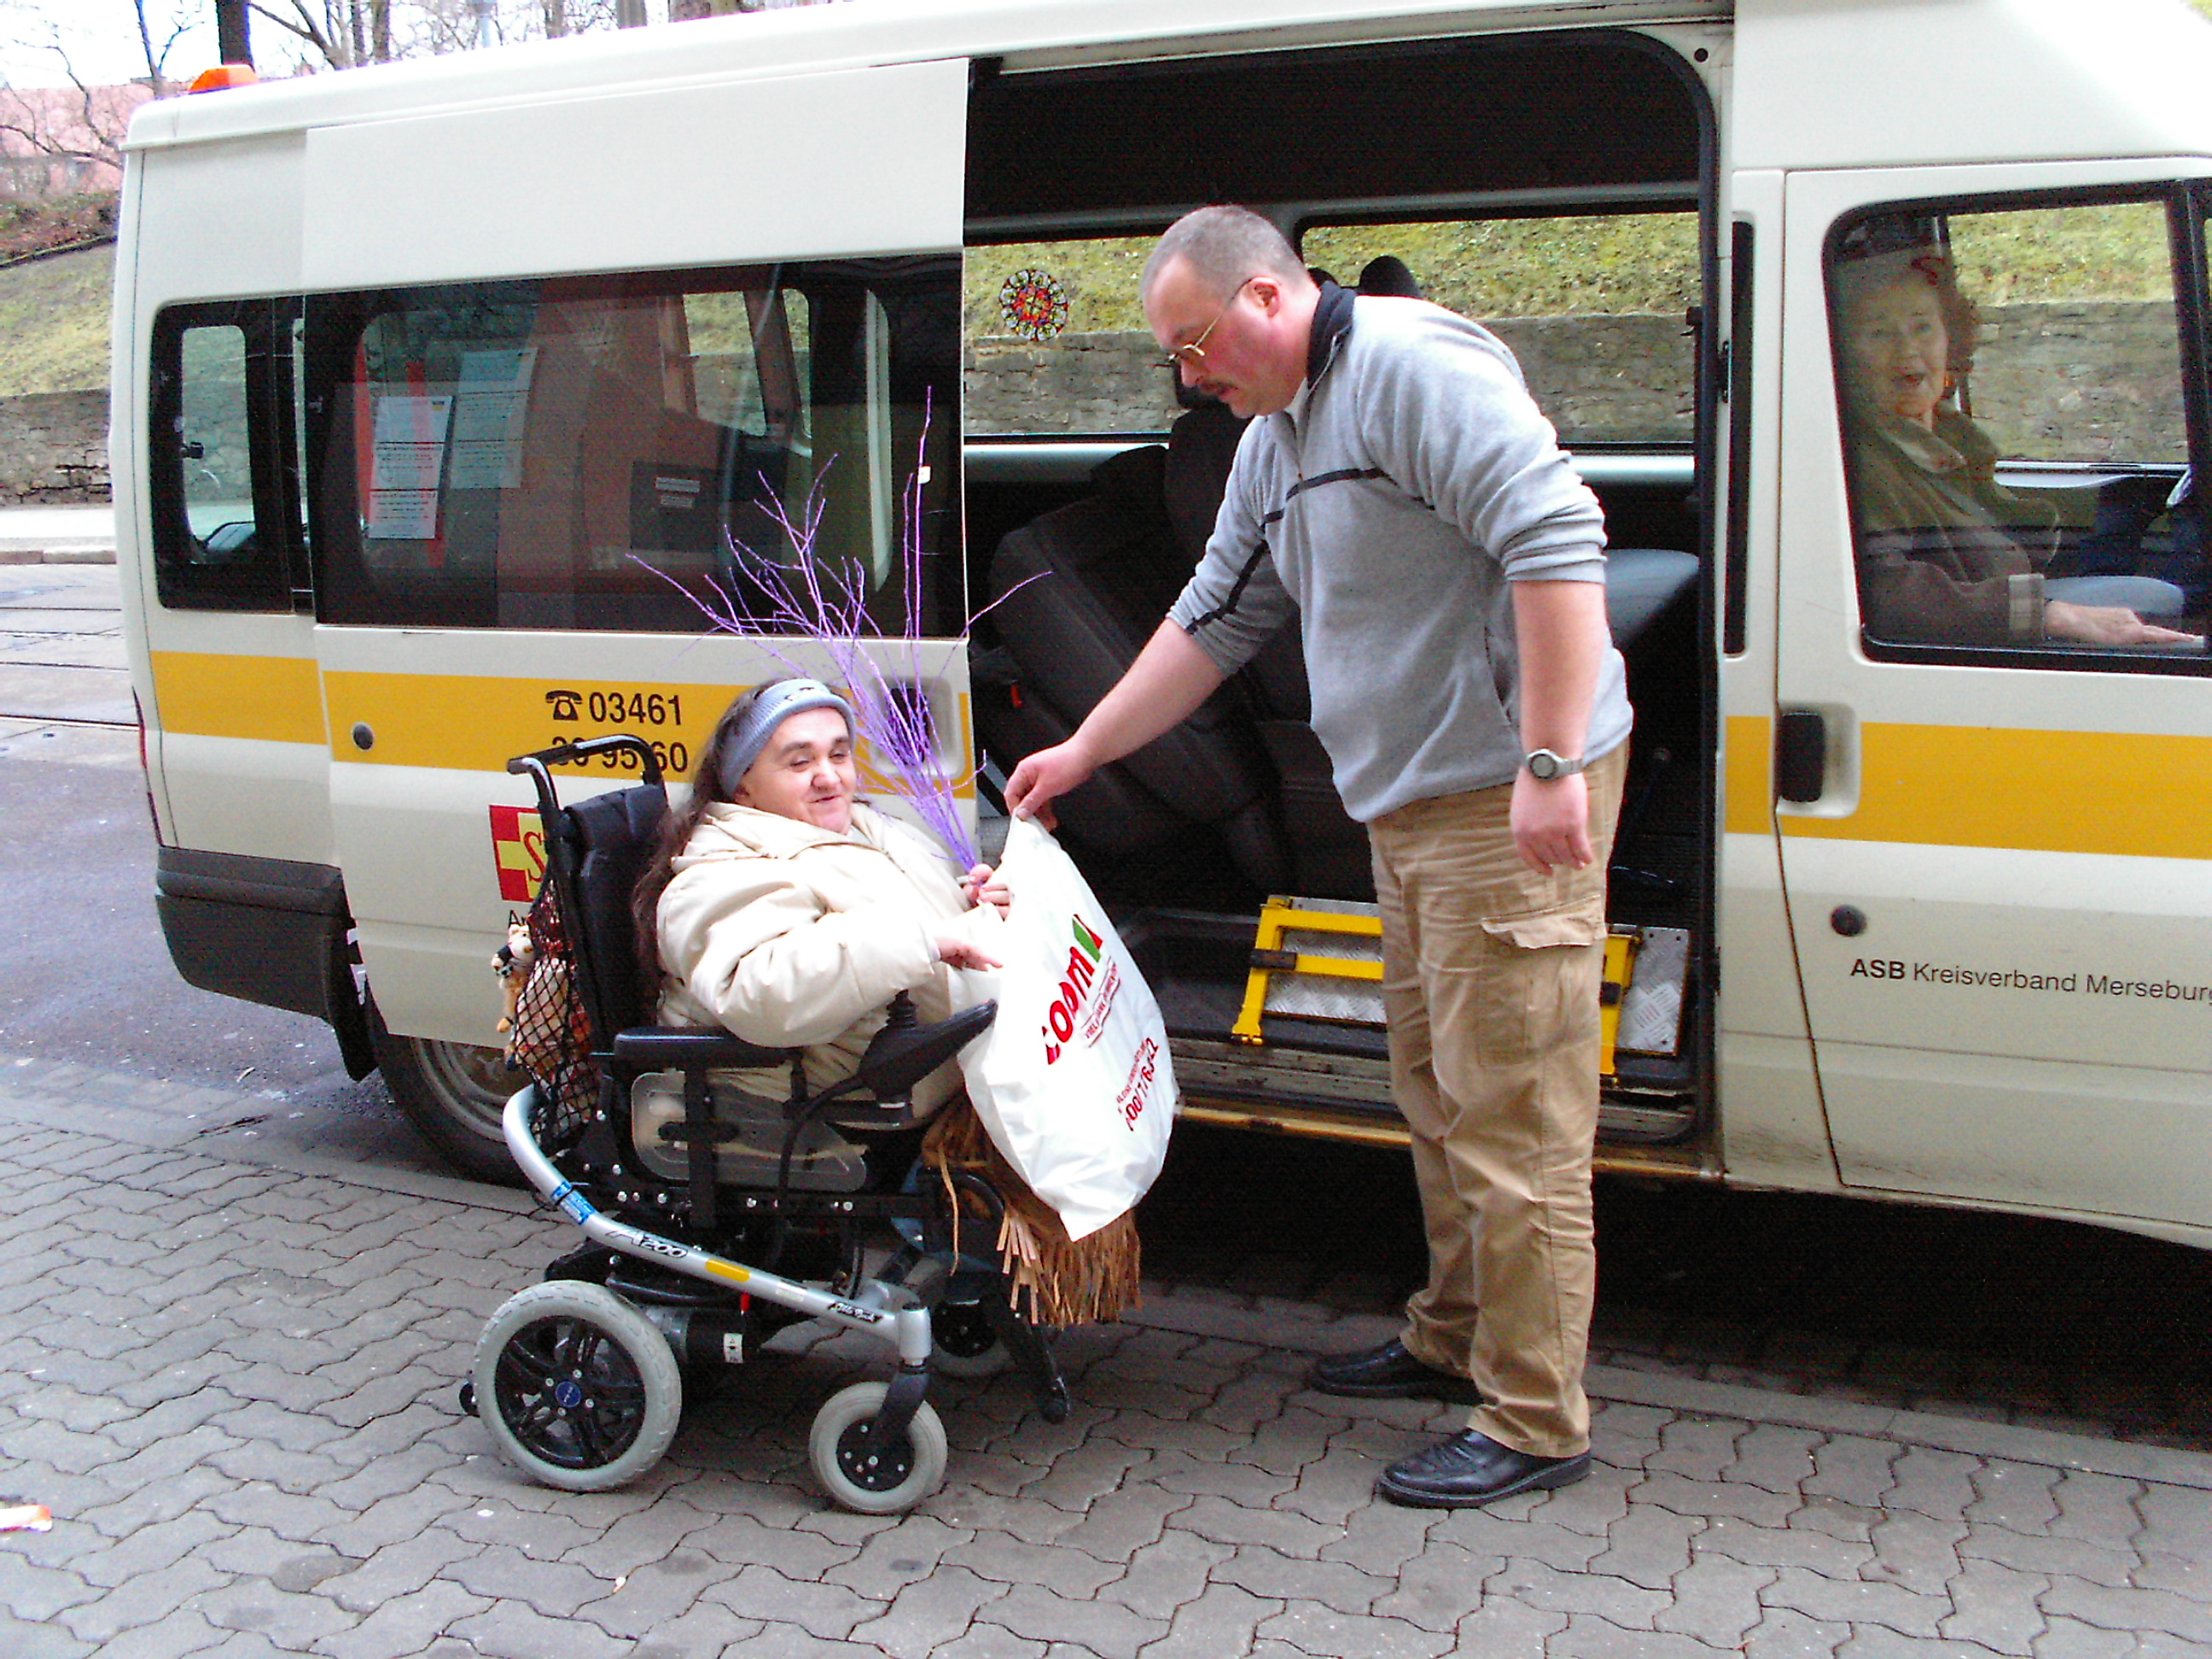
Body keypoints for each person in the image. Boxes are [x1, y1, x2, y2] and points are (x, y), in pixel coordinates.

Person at [1004, 205, 1632, 1508]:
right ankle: (1454, 1334)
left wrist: (1552, 762)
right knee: (1438, 1088)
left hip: (1501, 791)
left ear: (1271, 298)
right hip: (1409, 801)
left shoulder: (1410, 371)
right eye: (1174, 355)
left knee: (1513, 1115)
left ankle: (1532, 1418)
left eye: (1196, 342)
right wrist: (1085, 752)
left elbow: (1560, 541)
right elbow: (1214, 619)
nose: (1189, 375)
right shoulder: (1274, 440)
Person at [634, 676, 1139, 1326]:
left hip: (907, 1062)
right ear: (742, 787)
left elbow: (921, 922)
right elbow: (760, 992)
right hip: (813, 1089)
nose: (829, 776)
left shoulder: (868, 827)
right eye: (799, 761)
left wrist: (973, 902)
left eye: (839, 753)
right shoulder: (719, 871)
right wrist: (926, 939)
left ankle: (974, 1274)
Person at [1838, 246, 2197, 649]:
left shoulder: (1949, 439)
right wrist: (2051, 615)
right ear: (1847, 355)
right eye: (1879, 333)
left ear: (1949, 339)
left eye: (1922, 327)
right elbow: (1884, 594)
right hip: (1960, 648)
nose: (1907, 350)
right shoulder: (1853, 461)